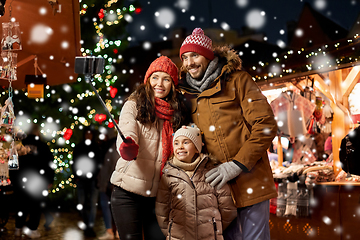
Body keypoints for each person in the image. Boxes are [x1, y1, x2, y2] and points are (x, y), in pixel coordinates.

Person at [178, 28, 278, 240]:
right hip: (217, 190)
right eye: (185, 58)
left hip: (251, 179)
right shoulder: (187, 95)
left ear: (208, 56)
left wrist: (237, 164)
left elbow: (265, 124)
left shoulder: (238, 81)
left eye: (194, 55)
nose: (189, 63)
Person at [110, 56, 190, 240]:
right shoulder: (134, 105)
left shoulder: (176, 114)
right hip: (127, 193)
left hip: (159, 197)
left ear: (173, 84)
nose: (159, 84)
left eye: (166, 79)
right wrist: (128, 145)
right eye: (155, 77)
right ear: (147, 80)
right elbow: (127, 127)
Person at [155, 124, 237, 240]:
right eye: (176, 143)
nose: (180, 147)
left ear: (197, 148)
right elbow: (162, 209)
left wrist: (214, 228)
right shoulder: (168, 175)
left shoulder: (211, 172)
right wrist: (171, 230)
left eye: (186, 142)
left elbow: (227, 208)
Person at [11, 124, 54, 238]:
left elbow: (13, 162)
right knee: (36, 206)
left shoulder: (20, 145)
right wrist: (50, 179)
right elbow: (49, 164)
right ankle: (32, 229)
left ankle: (18, 228)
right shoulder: (43, 146)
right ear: (37, 132)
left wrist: (13, 178)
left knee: (21, 204)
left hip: (21, 180)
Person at [72, 126, 103, 238]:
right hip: (82, 179)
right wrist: (77, 175)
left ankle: (89, 227)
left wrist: (95, 176)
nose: (88, 135)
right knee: (82, 203)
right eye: (87, 133)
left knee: (92, 203)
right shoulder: (80, 147)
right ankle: (87, 225)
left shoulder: (96, 147)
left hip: (92, 180)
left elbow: (98, 163)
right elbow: (74, 162)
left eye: (90, 133)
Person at [97, 130, 120, 239]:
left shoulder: (111, 146)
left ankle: (114, 231)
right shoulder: (109, 146)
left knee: (111, 207)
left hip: (110, 182)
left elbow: (109, 166)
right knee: (108, 207)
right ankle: (112, 231)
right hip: (108, 181)